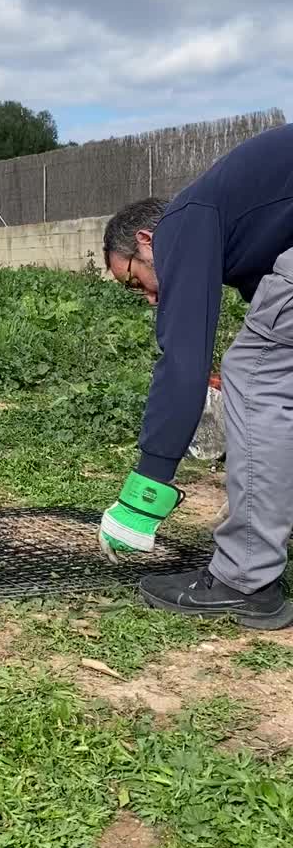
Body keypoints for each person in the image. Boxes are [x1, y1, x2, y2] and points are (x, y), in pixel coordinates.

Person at [100, 120, 293, 630]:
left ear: (147, 239)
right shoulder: (245, 227)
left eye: (134, 280)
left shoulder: (184, 219)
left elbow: (181, 361)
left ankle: (244, 579)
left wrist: (146, 493)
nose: (147, 296)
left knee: (255, 375)